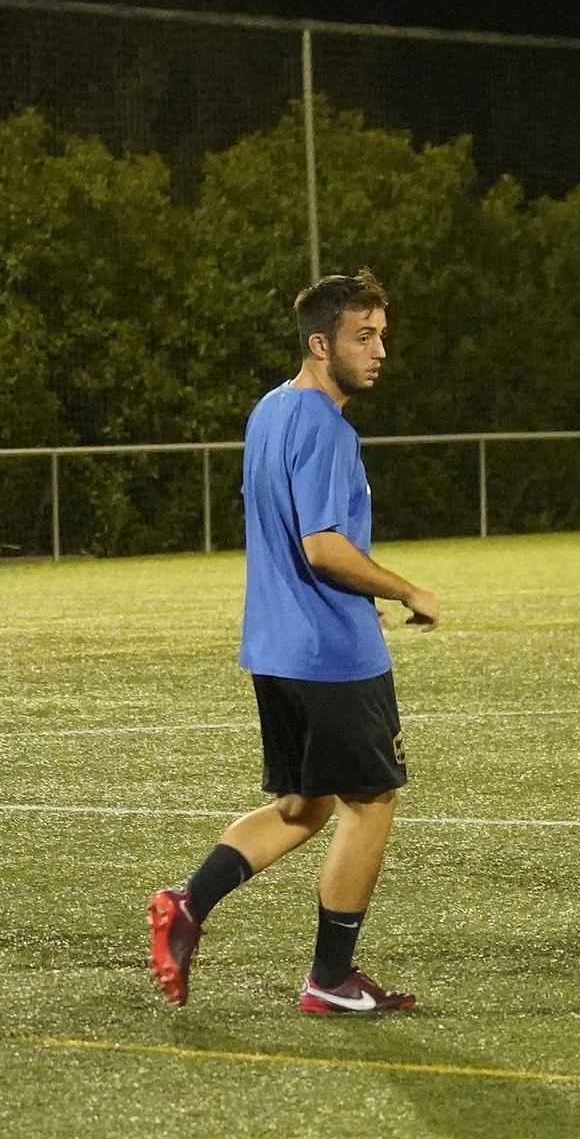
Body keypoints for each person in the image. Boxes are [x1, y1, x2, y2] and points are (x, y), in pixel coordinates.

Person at [149, 268, 438, 1014]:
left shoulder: (271, 410)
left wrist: (349, 590)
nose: (379, 352)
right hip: (332, 656)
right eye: (362, 337)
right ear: (321, 342)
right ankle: (331, 978)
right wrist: (398, 588)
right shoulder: (327, 426)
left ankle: (187, 904)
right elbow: (320, 544)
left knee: (302, 807)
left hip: (276, 648)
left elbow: (276, 527)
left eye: (382, 335)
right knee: (370, 802)